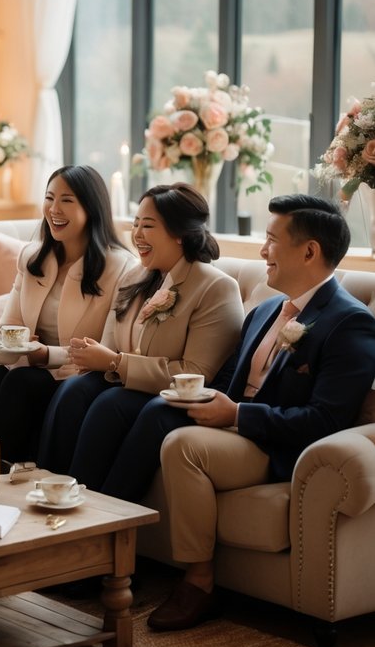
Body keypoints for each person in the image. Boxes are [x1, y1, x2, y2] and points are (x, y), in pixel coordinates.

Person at [145, 193, 375, 633]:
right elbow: (229, 380)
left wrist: (236, 417)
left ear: (309, 251)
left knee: (182, 446)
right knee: (147, 411)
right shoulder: (267, 310)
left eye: (271, 240)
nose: (262, 251)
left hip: (277, 448)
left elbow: (325, 421)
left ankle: (199, 582)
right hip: (236, 430)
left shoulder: (350, 323)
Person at [38, 182, 244, 487]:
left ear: (179, 233)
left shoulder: (214, 287)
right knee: (74, 390)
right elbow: (110, 346)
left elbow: (196, 373)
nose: (137, 235)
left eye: (148, 226)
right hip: (126, 383)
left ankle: (90, 505)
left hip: (173, 398)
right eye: (135, 224)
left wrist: (115, 363)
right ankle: (48, 487)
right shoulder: (135, 276)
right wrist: (93, 355)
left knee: (111, 405)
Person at [0, 165, 137, 463]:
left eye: (67, 200)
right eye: (49, 198)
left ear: (90, 207)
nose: (54, 209)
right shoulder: (32, 257)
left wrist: (46, 355)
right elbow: (10, 327)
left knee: (23, 384)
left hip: (77, 375)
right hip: (27, 367)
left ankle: (2, 482)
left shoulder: (120, 267)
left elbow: (109, 347)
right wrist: (6, 357)